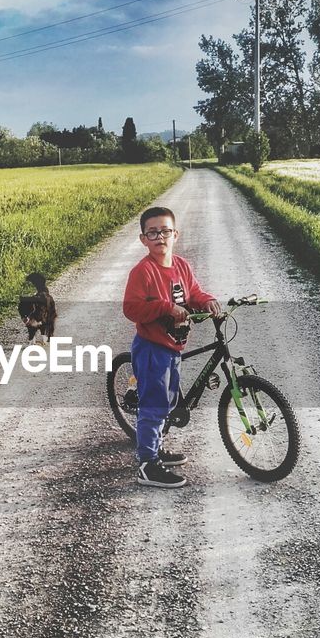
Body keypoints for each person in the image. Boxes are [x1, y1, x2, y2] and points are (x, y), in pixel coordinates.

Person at [121, 206, 221, 488]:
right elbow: (131, 307)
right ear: (143, 239)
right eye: (152, 232)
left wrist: (207, 301)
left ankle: (155, 447)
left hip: (172, 347)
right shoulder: (143, 272)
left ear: (175, 234)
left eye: (165, 231)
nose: (159, 237)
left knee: (168, 401)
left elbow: (195, 292)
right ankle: (147, 464)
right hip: (152, 347)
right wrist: (167, 307)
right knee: (154, 405)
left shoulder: (181, 266)